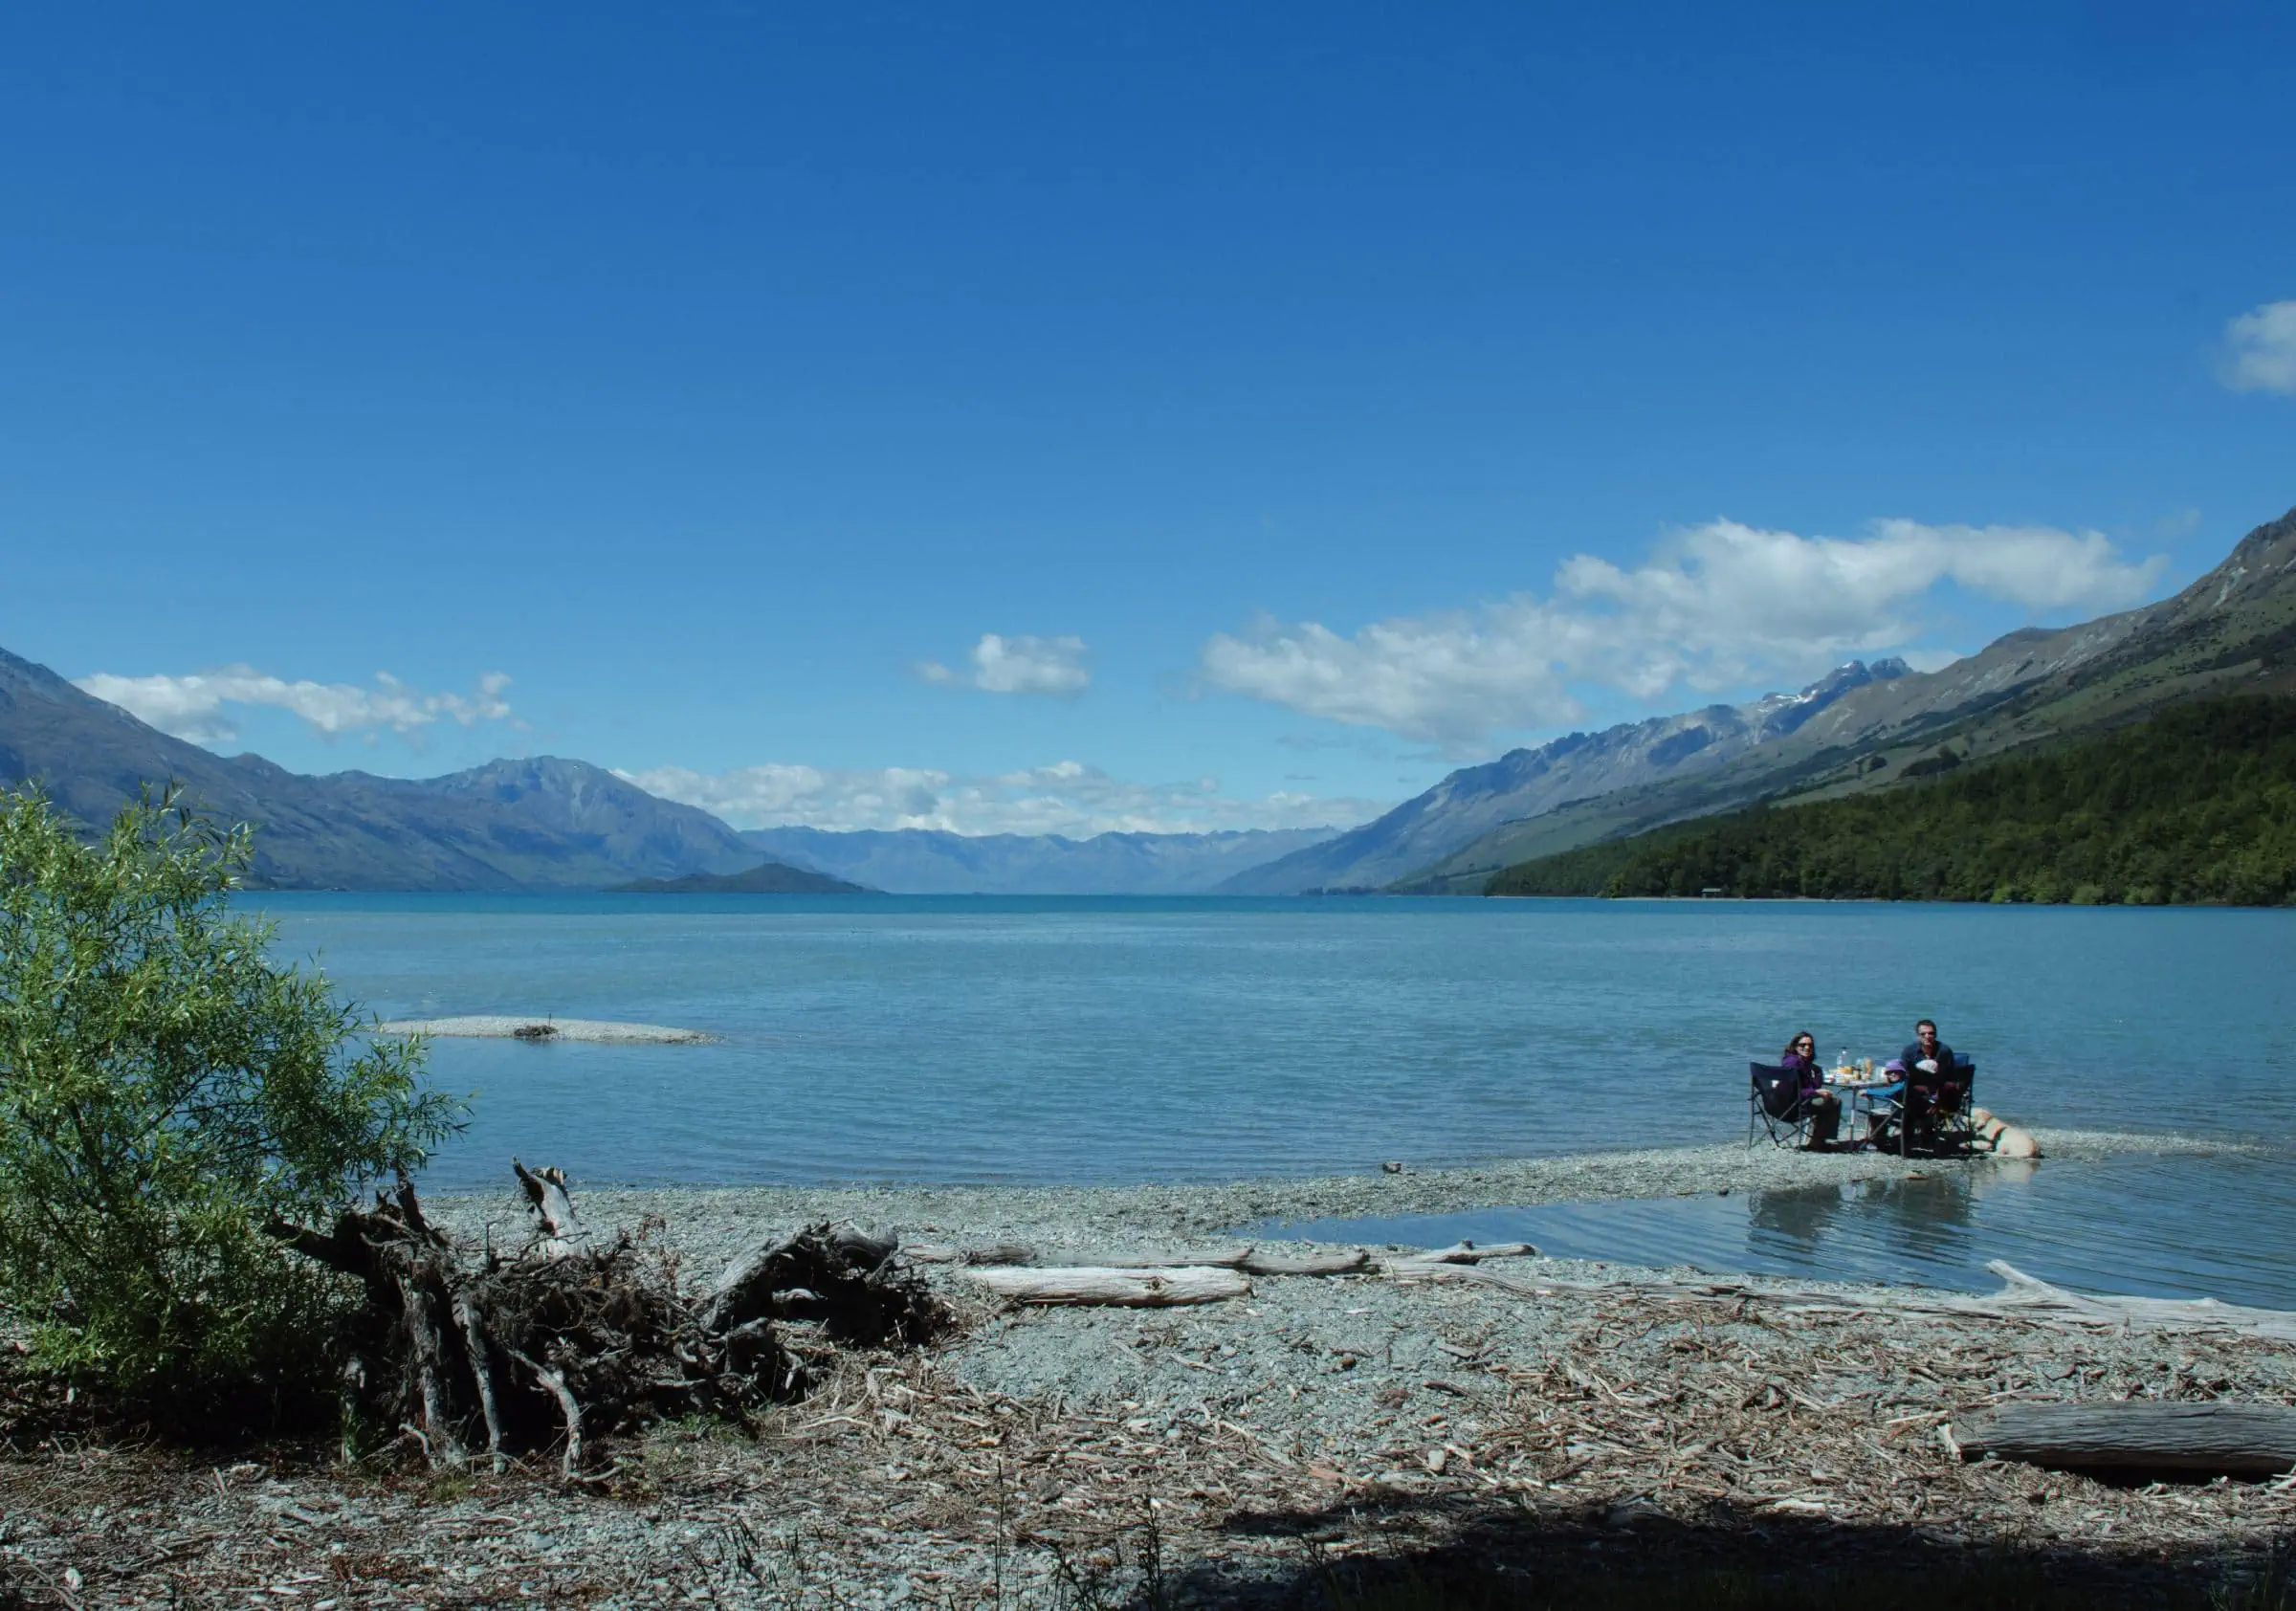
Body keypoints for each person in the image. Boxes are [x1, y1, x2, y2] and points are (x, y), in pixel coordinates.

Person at [1893, 1018, 1964, 1144]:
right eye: (1923, 1034)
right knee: (1906, 1095)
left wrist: (1936, 1096)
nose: (1928, 1036)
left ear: (1936, 1035)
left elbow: (1951, 1080)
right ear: (1918, 1036)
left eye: (1931, 1033)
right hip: (1914, 1092)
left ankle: (1921, 1133)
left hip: (1939, 1093)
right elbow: (1903, 1075)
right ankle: (1910, 1137)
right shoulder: (1909, 1051)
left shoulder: (1944, 1052)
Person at [1778, 1030, 1841, 1147]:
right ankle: (1818, 1141)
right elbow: (1793, 1091)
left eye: (1810, 1045)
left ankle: (1818, 1139)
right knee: (1833, 1102)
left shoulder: (1799, 1062)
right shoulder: (1793, 1064)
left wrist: (1817, 1072)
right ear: (1795, 1046)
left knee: (1826, 1099)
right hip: (1791, 1108)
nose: (1807, 1048)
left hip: (1780, 1106)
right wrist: (1815, 1092)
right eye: (1803, 1045)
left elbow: (1812, 1086)